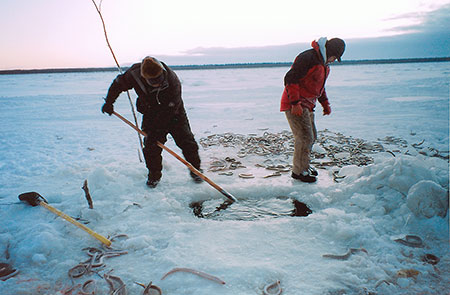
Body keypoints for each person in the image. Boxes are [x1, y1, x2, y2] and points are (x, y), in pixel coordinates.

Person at [102, 56, 202, 188]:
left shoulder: (173, 81)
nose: (157, 83)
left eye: (159, 79)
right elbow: (118, 85)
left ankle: (196, 171)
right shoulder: (134, 74)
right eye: (153, 81)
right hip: (150, 111)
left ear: (162, 72)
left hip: (174, 112)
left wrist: (156, 132)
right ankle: (154, 176)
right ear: (144, 77)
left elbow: (169, 110)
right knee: (151, 147)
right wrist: (109, 102)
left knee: (187, 142)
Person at [280, 37, 345, 183]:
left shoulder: (324, 65)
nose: (334, 60)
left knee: (312, 136)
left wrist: (325, 104)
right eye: (335, 57)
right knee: (304, 137)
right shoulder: (308, 58)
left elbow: (319, 87)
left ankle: (305, 166)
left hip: (308, 105)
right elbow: (290, 79)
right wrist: (295, 103)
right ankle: (298, 172)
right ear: (329, 51)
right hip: (295, 104)